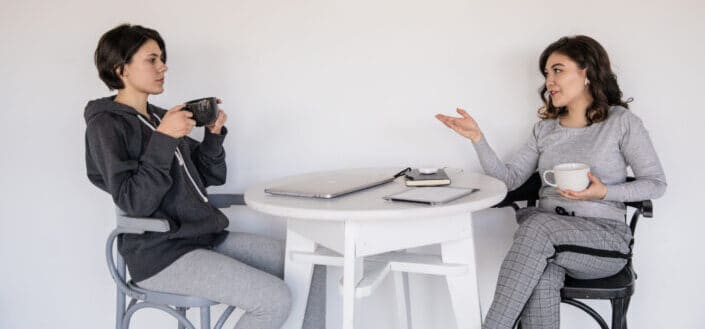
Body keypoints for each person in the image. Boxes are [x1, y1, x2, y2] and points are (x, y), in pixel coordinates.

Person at [85, 24, 325, 329]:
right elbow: (134, 201)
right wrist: (164, 138)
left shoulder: (160, 117)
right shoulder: (105, 125)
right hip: (160, 254)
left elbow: (209, 175)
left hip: (204, 237)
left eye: (162, 58)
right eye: (152, 59)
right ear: (122, 69)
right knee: (274, 299)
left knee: (312, 263)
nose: (163, 66)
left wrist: (212, 135)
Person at [436, 35, 666, 329]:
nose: (549, 81)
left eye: (558, 70)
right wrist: (477, 139)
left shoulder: (621, 123)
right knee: (541, 274)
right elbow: (509, 180)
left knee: (537, 226)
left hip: (604, 241)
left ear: (587, 72)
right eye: (546, 74)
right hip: (547, 243)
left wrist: (604, 192)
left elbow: (656, 184)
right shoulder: (544, 130)